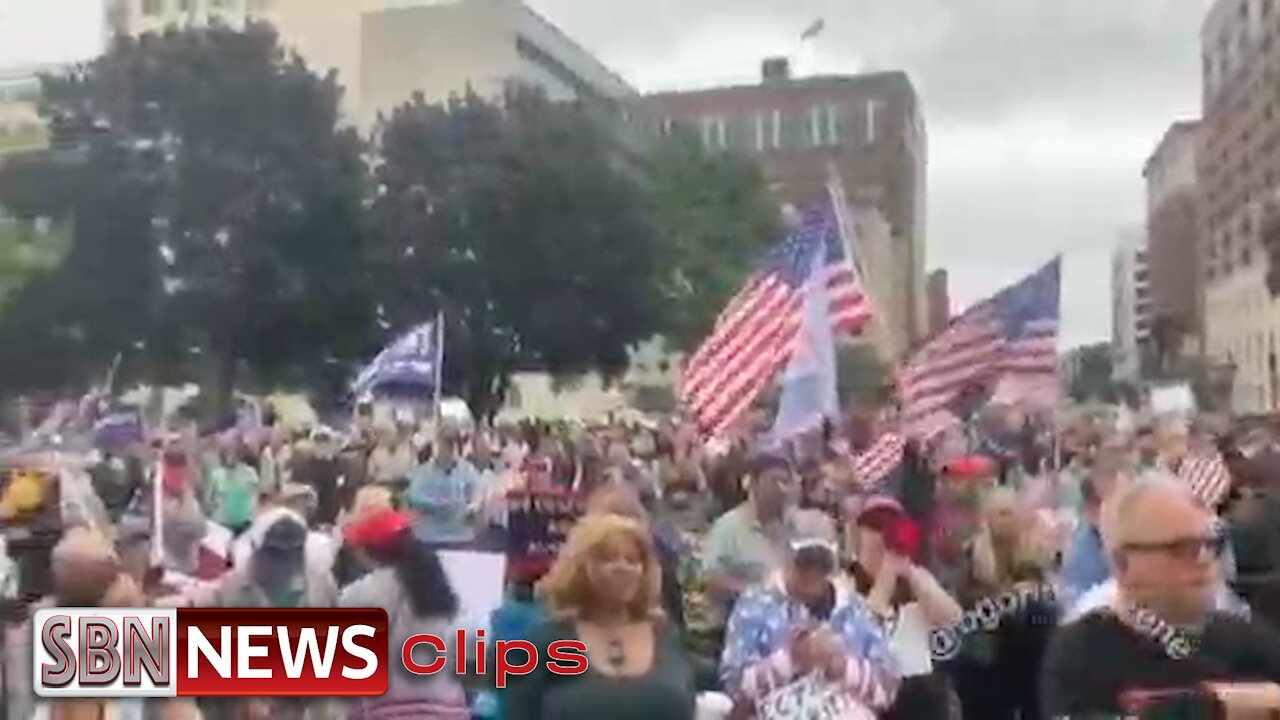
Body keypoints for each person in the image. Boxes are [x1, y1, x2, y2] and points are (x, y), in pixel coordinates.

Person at [1041, 476, 1280, 717]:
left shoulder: (1245, 639)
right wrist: (1211, 707)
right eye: (1183, 549)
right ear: (1122, 564)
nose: (1205, 560)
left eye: (1210, 545)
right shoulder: (1081, 653)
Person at [507, 514, 696, 720]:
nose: (622, 567)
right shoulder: (544, 642)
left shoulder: (668, 637)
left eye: (632, 560)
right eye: (607, 558)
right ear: (580, 569)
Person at [718, 537, 900, 718]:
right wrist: (789, 660)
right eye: (804, 562)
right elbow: (733, 685)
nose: (812, 572)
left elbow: (888, 688)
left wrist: (840, 666)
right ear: (787, 560)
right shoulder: (755, 604)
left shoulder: (856, 611)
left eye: (821, 564)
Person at [339, 507, 471, 719]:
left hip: (390, 708)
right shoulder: (438, 584)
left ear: (366, 551)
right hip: (448, 705)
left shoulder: (360, 594)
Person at [847, 497, 962, 719]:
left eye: (888, 527)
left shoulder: (918, 579)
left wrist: (908, 571)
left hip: (920, 693)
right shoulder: (844, 585)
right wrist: (885, 578)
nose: (881, 535)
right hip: (868, 688)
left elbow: (954, 620)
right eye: (873, 527)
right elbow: (862, 631)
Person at [702, 453, 834, 634]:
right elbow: (711, 580)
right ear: (754, 484)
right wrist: (757, 594)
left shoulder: (800, 524)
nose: (781, 488)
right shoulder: (728, 527)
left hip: (801, 617)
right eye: (774, 481)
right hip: (749, 621)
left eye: (786, 481)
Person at [407, 429, 482, 549]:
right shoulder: (424, 472)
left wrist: (471, 507)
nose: (446, 452)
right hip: (429, 537)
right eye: (443, 446)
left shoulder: (468, 470)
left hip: (461, 537)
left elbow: (476, 495)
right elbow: (415, 496)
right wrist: (441, 504)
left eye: (451, 447)